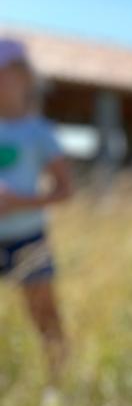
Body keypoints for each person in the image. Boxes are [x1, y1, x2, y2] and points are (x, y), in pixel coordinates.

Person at [0, 38, 73, 380]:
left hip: (28, 236)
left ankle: (58, 382)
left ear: (22, 77)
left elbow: (65, 190)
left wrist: (19, 202)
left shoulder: (39, 132)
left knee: (44, 315)